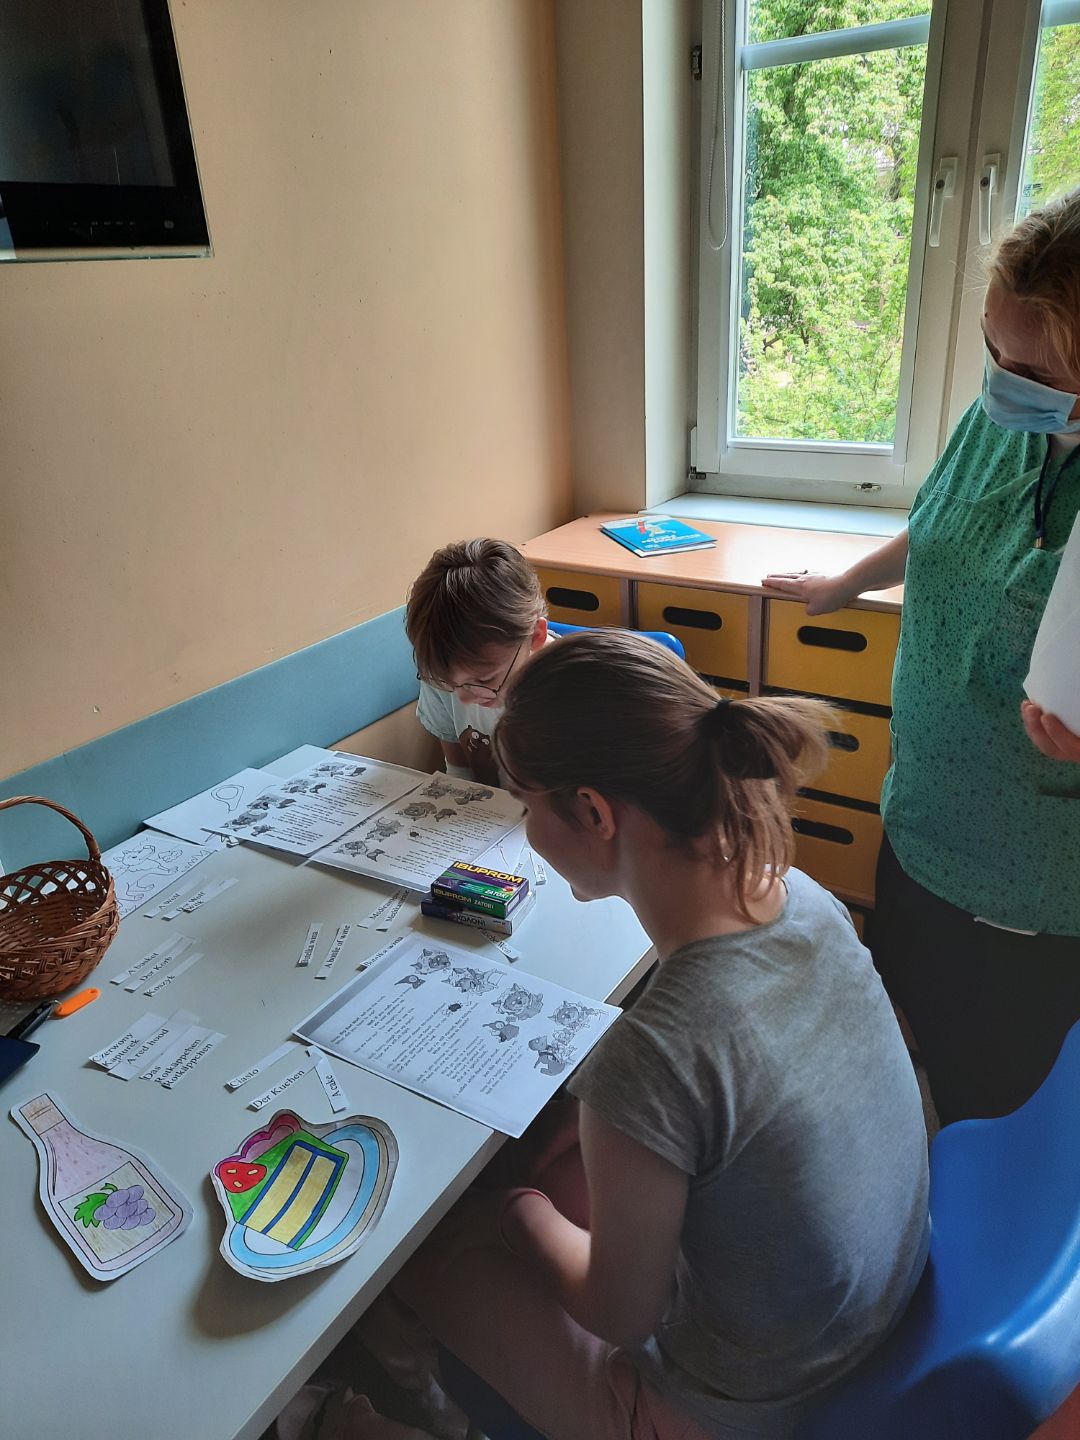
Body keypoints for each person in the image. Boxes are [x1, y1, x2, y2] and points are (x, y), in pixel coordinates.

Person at [389, 630, 929, 1440]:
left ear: (594, 812)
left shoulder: (653, 1056)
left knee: (424, 1248)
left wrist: (516, 1215)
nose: (526, 827)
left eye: (528, 805)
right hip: (875, 1314)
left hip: (740, 1412)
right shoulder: (805, 897)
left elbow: (618, 1314)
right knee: (559, 1160)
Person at [763, 188, 1080, 1126]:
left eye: (1032, 369)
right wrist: (846, 583)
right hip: (921, 823)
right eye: (993, 349)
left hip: (1026, 884)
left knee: (996, 1100)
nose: (1002, 380)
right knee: (909, 1040)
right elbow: (944, 526)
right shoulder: (1005, 420)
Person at [405, 538, 548, 785]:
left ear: (535, 635)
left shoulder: (573, 698)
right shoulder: (444, 675)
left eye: (484, 680)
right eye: (448, 683)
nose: (463, 698)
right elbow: (460, 774)